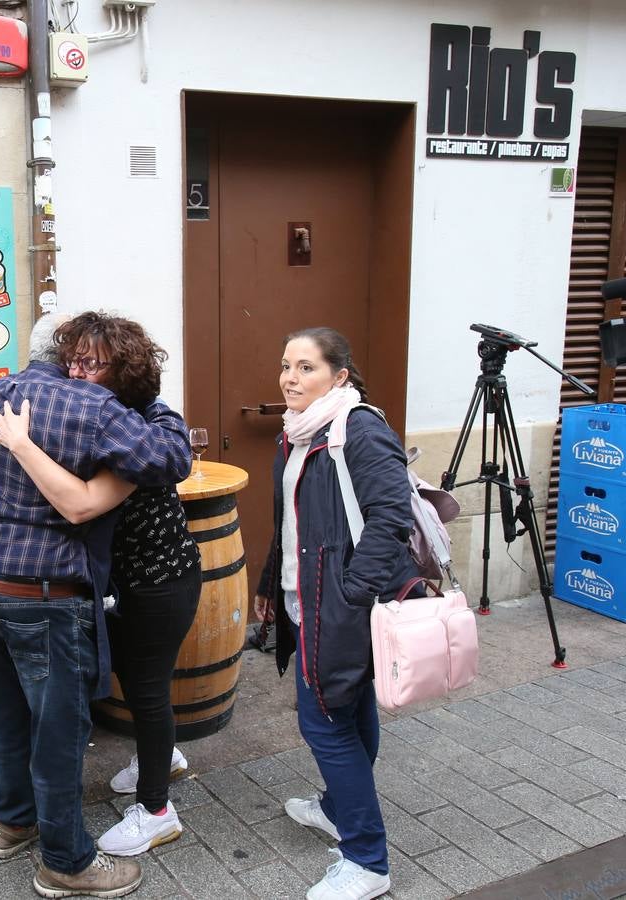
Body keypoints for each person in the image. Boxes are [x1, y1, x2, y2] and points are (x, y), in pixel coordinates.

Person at [0, 313, 192, 899]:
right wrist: (156, 412)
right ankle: (66, 861)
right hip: (41, 594)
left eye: (93, 361)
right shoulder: (97, 412)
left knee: (3, 719)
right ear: (61, 355)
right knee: (58, 732)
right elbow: (171, 461)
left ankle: (12, 824)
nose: (81, 369)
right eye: (77, 358)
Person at [251, 326, 416, 900]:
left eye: (306, 368)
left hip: (340, 602)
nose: (290, 378)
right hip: (309, 595)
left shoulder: (359, 428)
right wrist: (273, 581)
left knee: (322, 717)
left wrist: (351, 594)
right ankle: (336, 808)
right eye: (286, 365)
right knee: (346, 705)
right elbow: (292, 521)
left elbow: (392, 517)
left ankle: (367, 860)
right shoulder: (300, 433)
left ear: (339, 375)